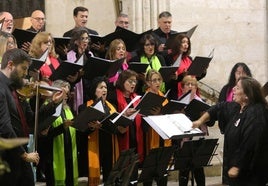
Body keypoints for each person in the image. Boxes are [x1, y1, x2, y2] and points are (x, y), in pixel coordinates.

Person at [192, 76, 268, 185]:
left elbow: (250, 142)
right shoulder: (236, 107)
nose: (233, 89)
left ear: (246, 95)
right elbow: (218, 108)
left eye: (237, 88)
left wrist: (238, 166)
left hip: (251, 174)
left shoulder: (256, 113)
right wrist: (199, 121)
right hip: (235, 172)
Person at [0, 48, 39, 185]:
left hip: (15, 152)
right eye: (23, 68)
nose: (26, 73)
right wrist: (24, 155)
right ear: (10, 65)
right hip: (7, 156)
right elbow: (5, 127)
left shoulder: (11, 88)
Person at [78, 76, 121, 185]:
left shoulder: (112, 107)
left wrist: (102, 126)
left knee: (110, 178)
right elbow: (81, 130)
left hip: (109, 146)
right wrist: (92, 127)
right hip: (92, 146)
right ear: (94, 90)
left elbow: (115, 128)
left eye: (105, 87)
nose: (104, 90)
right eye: (101, 87)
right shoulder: (84, 107)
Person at [217, 62, 252, 185]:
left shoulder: (251, 90)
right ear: (233, 74)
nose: (240, 74)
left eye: (243, 72)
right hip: (230, 130)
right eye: (238, 72)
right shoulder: (227, 89)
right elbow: (219, 108)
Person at [40, 79, 78, 186]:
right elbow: (44, 134)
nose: (66, 95)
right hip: (52, 155)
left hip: (69, 153)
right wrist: (63, 127)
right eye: (64, 92)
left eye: (67, 92)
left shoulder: (67, 108)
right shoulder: (47, 107)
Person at [109, 69, 144, 184]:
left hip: (135, 137)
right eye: (130, 81)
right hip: (121, 137)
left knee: (133, 174)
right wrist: (123, 114)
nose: (133, 84)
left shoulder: (137, 98)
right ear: (122, 81)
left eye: (135, 82)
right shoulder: (113, 96)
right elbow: (111, 117)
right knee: (122, 175)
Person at [177, 75, 208, 186]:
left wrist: (204, 116)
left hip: (198, 138)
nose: (190, 86)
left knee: (199, 170)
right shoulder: (178, 103)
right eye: (187, 84)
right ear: (183, 87)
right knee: (183, 171)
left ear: (196, 87)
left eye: (193, 84)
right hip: (183, 140)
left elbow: (211, 122)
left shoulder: (201, 101)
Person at [142, 69, 171, 186]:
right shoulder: (145, 98)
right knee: (149, 172)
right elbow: (142, 124)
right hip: (149, 138)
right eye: (154, 80)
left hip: (163, 137)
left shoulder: (164, 98)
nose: (157, 83)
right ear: (148, 83)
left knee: (162, 171)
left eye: (159, 80)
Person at [66, 27, 93, 115]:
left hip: (89, 88)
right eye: (82, 38)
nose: (85, 41)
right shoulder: (70, 55)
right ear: (76, 41)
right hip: (77, 88)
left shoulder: (90, 54)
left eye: (86, 38)